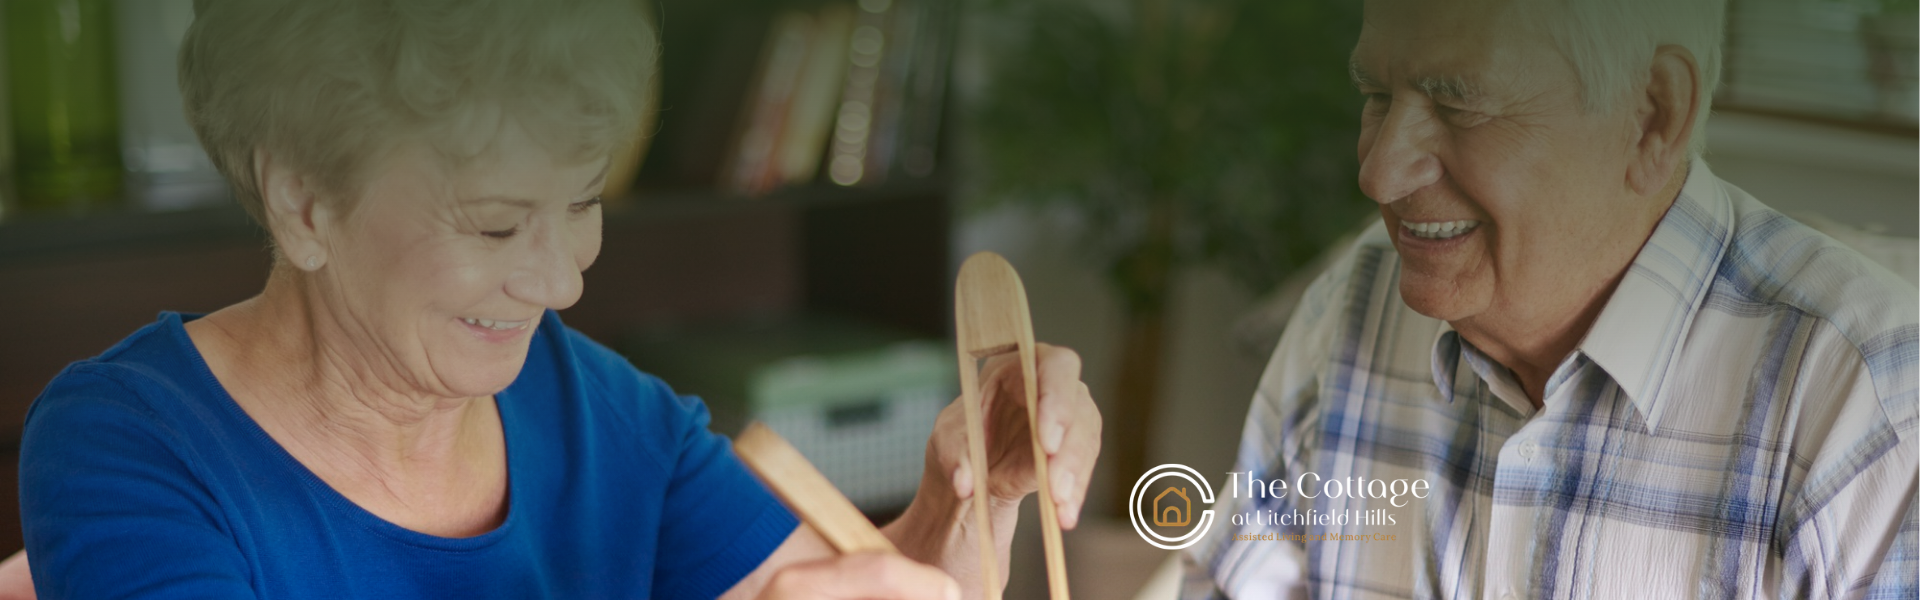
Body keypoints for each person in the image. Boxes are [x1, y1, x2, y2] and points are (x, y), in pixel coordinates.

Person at [16, 1, 1103, 598]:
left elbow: (856, 590)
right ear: (303, 201)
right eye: (496, 224)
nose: (561, 279)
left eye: (581, 203)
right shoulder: (128, 446)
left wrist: (965, 498)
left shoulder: (600, 412)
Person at [1180, 0, 1916, 598]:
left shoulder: (1869, 404)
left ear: (1653, 115)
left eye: (1457, 103)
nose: (1380, 173)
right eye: (1376, 97)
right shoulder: (1354, 302)